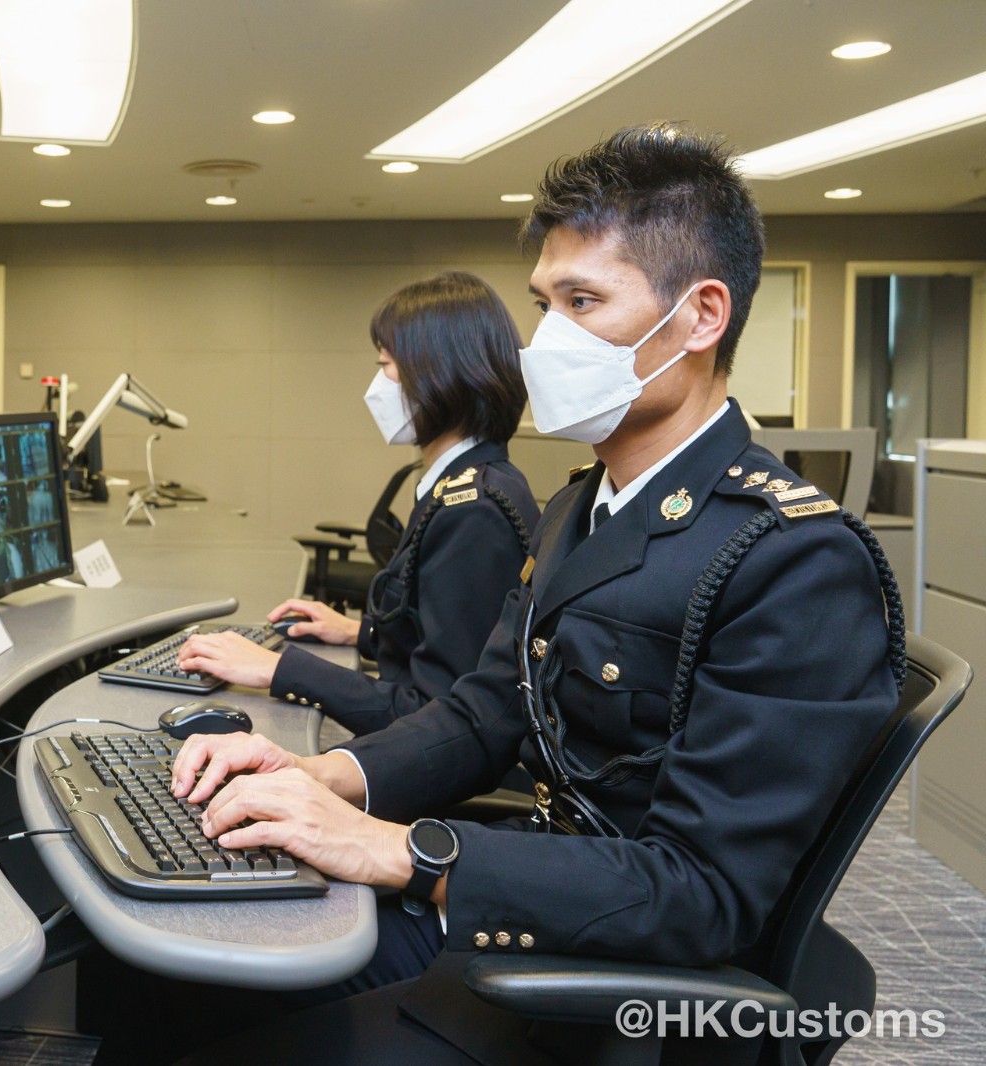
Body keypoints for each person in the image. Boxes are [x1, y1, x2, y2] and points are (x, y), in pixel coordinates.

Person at [168, 124, 904, 1064]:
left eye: (583, 301)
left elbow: (703, 894)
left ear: (701, 317)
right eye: (543, 304)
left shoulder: (793, 559)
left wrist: (395, 850)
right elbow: (485, 713)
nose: (546, 339)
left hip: (606, 994)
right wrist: (322, 778)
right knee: (194, 951)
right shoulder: (579, 507)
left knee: (218, 1005)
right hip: (531, 906)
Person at [177, 272, 539, 736]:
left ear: (440, 374)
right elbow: (447, 643)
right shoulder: (469, 482)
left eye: (386, 364)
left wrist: (279, 669)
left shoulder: (474, 513)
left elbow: (440, 721)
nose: (377, 384)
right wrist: (360, 632)